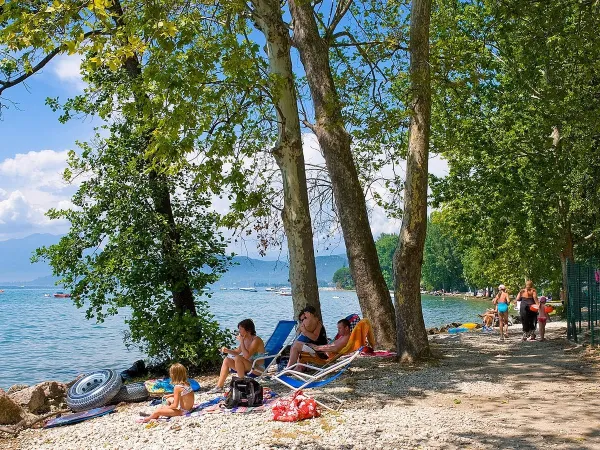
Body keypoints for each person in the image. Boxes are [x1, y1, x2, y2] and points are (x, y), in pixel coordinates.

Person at [208, 319, 265, 394]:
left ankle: (241, 384)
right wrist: (227, 350)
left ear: (248, 330)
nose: (239, 331)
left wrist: (241, 341)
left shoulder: (256, 340)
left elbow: (247, 356)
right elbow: (237, 352)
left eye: (241, 329)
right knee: (226, 360)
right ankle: (219, 387)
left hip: (257, 368)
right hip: (247, 366)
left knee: (238, 358)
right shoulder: (245, 339)